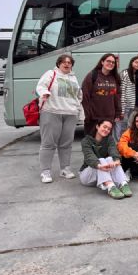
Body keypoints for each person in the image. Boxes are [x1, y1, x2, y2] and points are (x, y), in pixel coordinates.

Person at [36, 54, 82, 183]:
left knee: (66, 144)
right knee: (48, 143)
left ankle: (65, 169)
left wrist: (77, 107)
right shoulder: (51, 74)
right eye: (64, 62)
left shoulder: (73, 77)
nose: (67, 64)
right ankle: (45, 172)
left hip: (70, 113)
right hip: (52, 111)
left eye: (69, 62)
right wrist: (44, 93)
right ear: (58, 64)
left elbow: (78, 94)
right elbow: (40, 86)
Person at [79, 119, 131, 199]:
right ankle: (110, 187)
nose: (106, 130)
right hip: (87, 176)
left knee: (111, 159)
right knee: (101, 160)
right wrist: (99, 165)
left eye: (109, 129)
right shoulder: (86, 140)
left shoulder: (109, 139)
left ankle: (123, 183)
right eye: (104, 127)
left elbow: (113, 150)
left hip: (103, 174)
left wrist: (116, 161)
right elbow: (89, 156)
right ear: (97, 126)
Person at [81, 53, 121, 136]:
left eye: (113, 62)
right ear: (102, 62)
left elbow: (117, 97)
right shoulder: (92, 75)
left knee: (105, 145)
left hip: (109, 118)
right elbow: (85, 96)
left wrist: (118, 112)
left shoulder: (115, 78)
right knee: (91, 143)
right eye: (108, 61)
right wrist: (88, 114)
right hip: (94, 118)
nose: (110, 63)